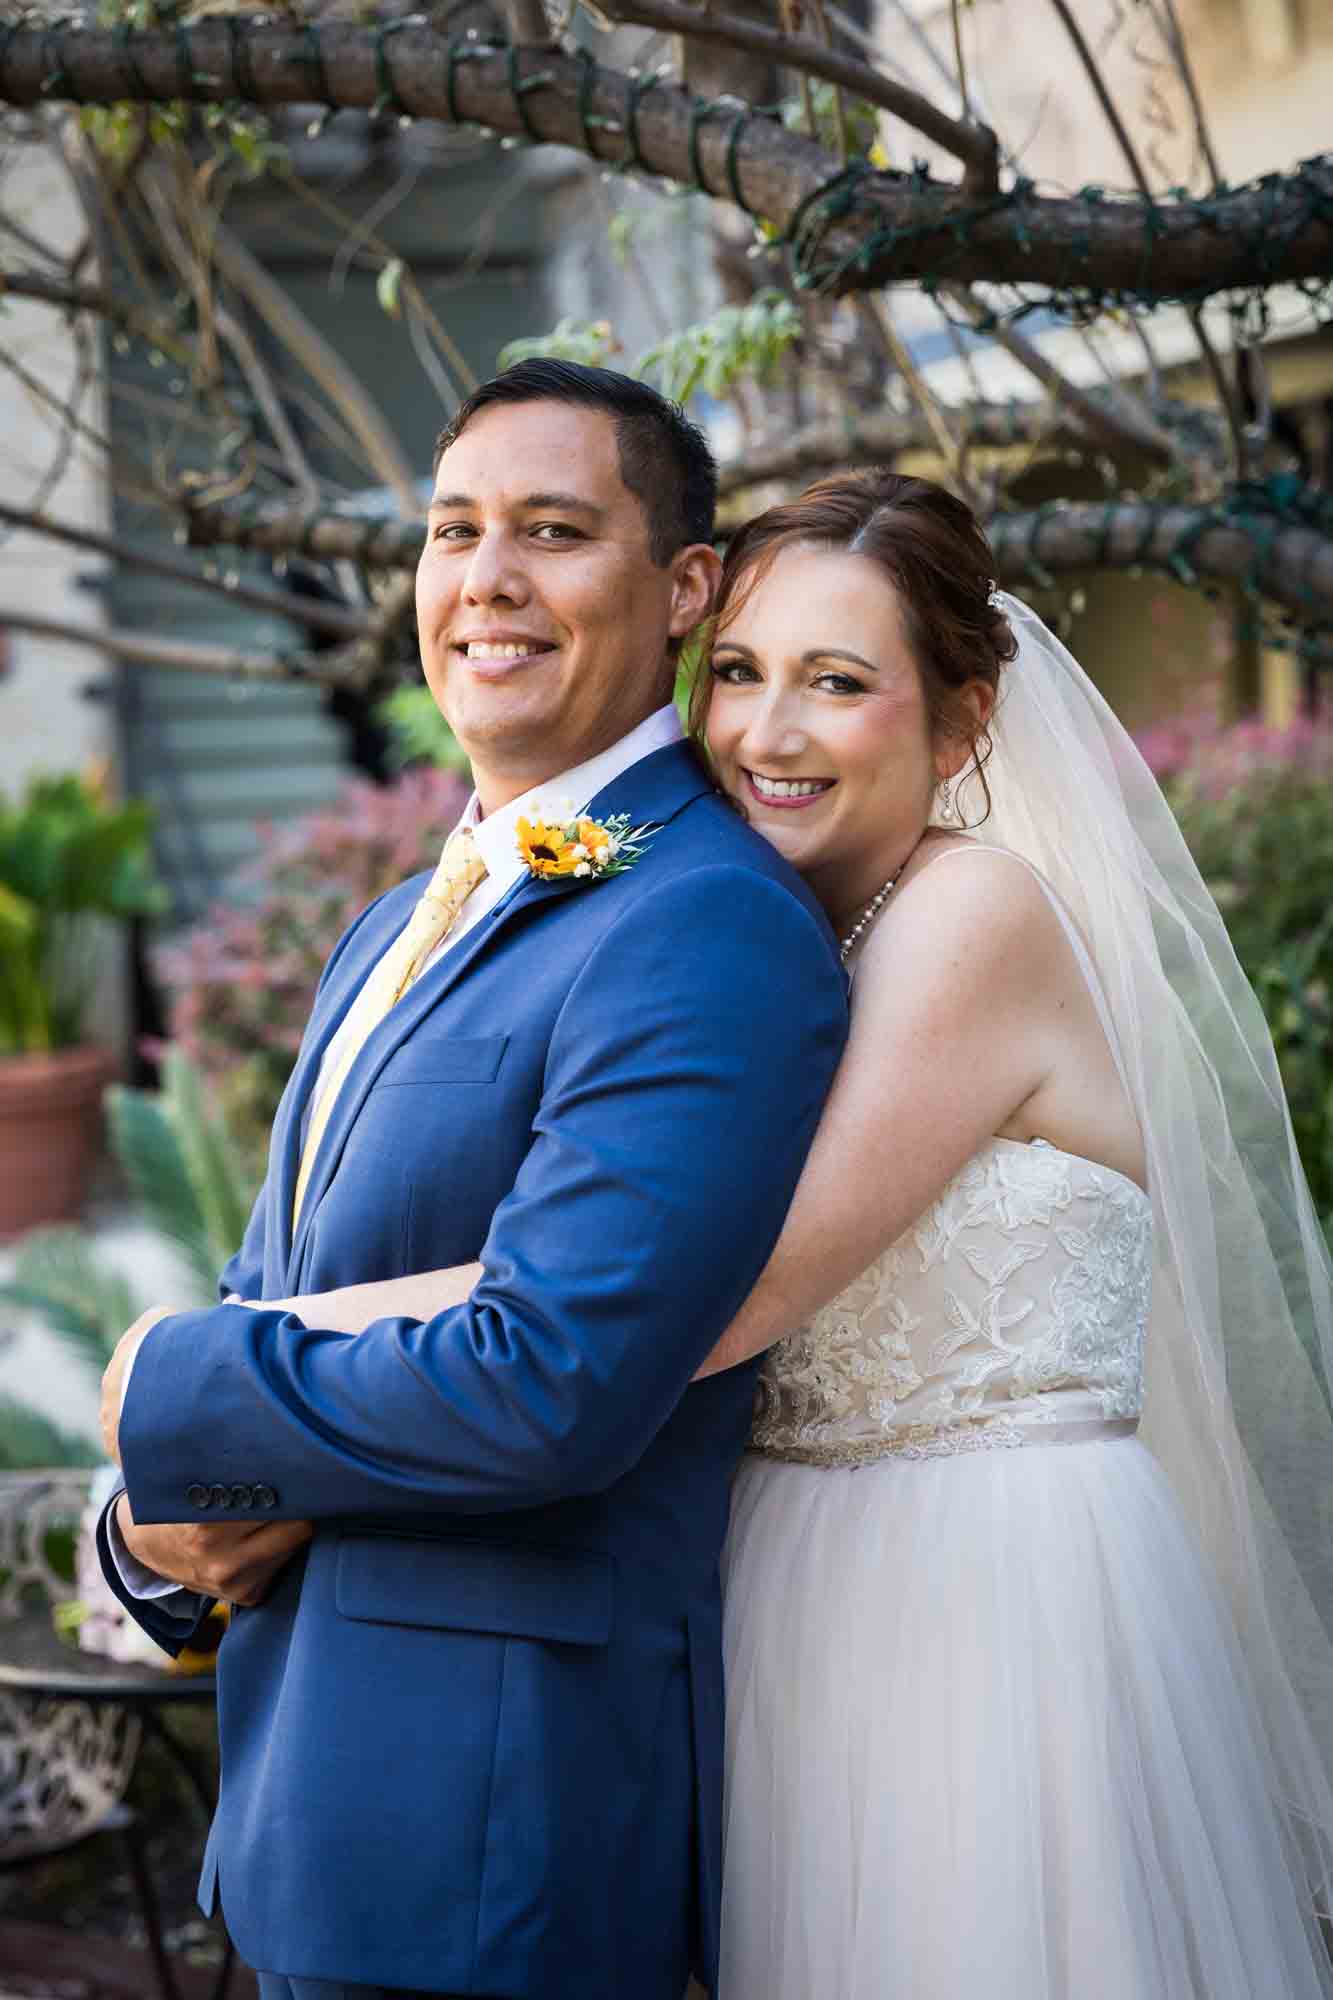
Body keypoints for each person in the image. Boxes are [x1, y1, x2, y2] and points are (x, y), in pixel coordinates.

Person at [293, 469, 1333, 1997]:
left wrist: (266, 1349)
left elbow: (694, 1294)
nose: (764, 737)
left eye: (836, 685)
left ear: (962, 724)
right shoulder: (764, 939)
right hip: (783, 1586)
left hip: (989, 1601)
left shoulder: (973, 918)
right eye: (738, 676)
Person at [94, 360, 849, 2000]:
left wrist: (173, 1384)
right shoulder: (394, 917)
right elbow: (288, 1292)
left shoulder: (699, 921)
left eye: (554, 530)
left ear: (684, 589)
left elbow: (553, 1378)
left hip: (504, 1848)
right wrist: (159, 1536)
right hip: (320, 1818)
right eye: (453, 532)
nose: (485, 579)